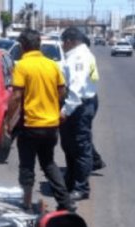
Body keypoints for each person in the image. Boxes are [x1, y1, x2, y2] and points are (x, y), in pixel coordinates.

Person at [7, 28, 76, 212]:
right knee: (48, 163)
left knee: (27, 166)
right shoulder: (52, 65)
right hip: (51, 126)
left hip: (30, 126)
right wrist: (53, 107)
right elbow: (62, 91)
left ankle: (27, 204)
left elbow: (15, 97)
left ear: (23, 46)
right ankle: (65, 202)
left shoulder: (22, 66)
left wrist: (8, 120)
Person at [60, 26, 104, 201]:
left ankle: (81, 187)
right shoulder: (82, 54)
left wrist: (65, 111)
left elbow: (76, 89)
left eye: (63, 42)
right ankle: (71, 179)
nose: (62, 46)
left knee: (80, 147)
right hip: (85, 103)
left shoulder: (79, 57)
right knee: (71, 145)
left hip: (79, 105)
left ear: (70, 41)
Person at [81, 33, 107, 172]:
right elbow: (94, 77)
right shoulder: (90, 57)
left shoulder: (83, 58)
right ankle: (95, 161)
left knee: (82, 135)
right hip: (92, 98)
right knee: (84, 134)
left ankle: (94, 161)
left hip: (85, 99)